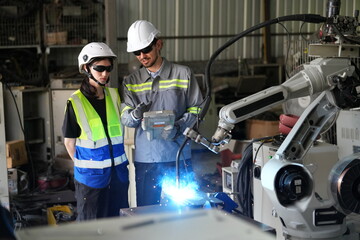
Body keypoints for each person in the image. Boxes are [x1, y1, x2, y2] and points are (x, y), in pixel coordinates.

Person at [121, 20, 203, 206]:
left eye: (146, 49)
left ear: (159, 44)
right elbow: (126, 117)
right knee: (147, 213)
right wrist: (134, 115)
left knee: (184, 212)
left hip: (178, 154)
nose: (142, 56)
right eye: (137, 52)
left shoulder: (183, 74)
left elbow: (197, 110)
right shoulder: (130, 82)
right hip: (146, 159)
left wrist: (178, 126)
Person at [62, 42, 129, 221]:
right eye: (99, 69)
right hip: (90, 181)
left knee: (118, 223)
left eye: (108, 69)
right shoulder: (75, 102)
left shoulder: (115, 95)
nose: (105, 74)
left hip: (118, 176)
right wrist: (85, 167)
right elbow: (69, 142)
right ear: (86, 68)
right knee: (91, 227)